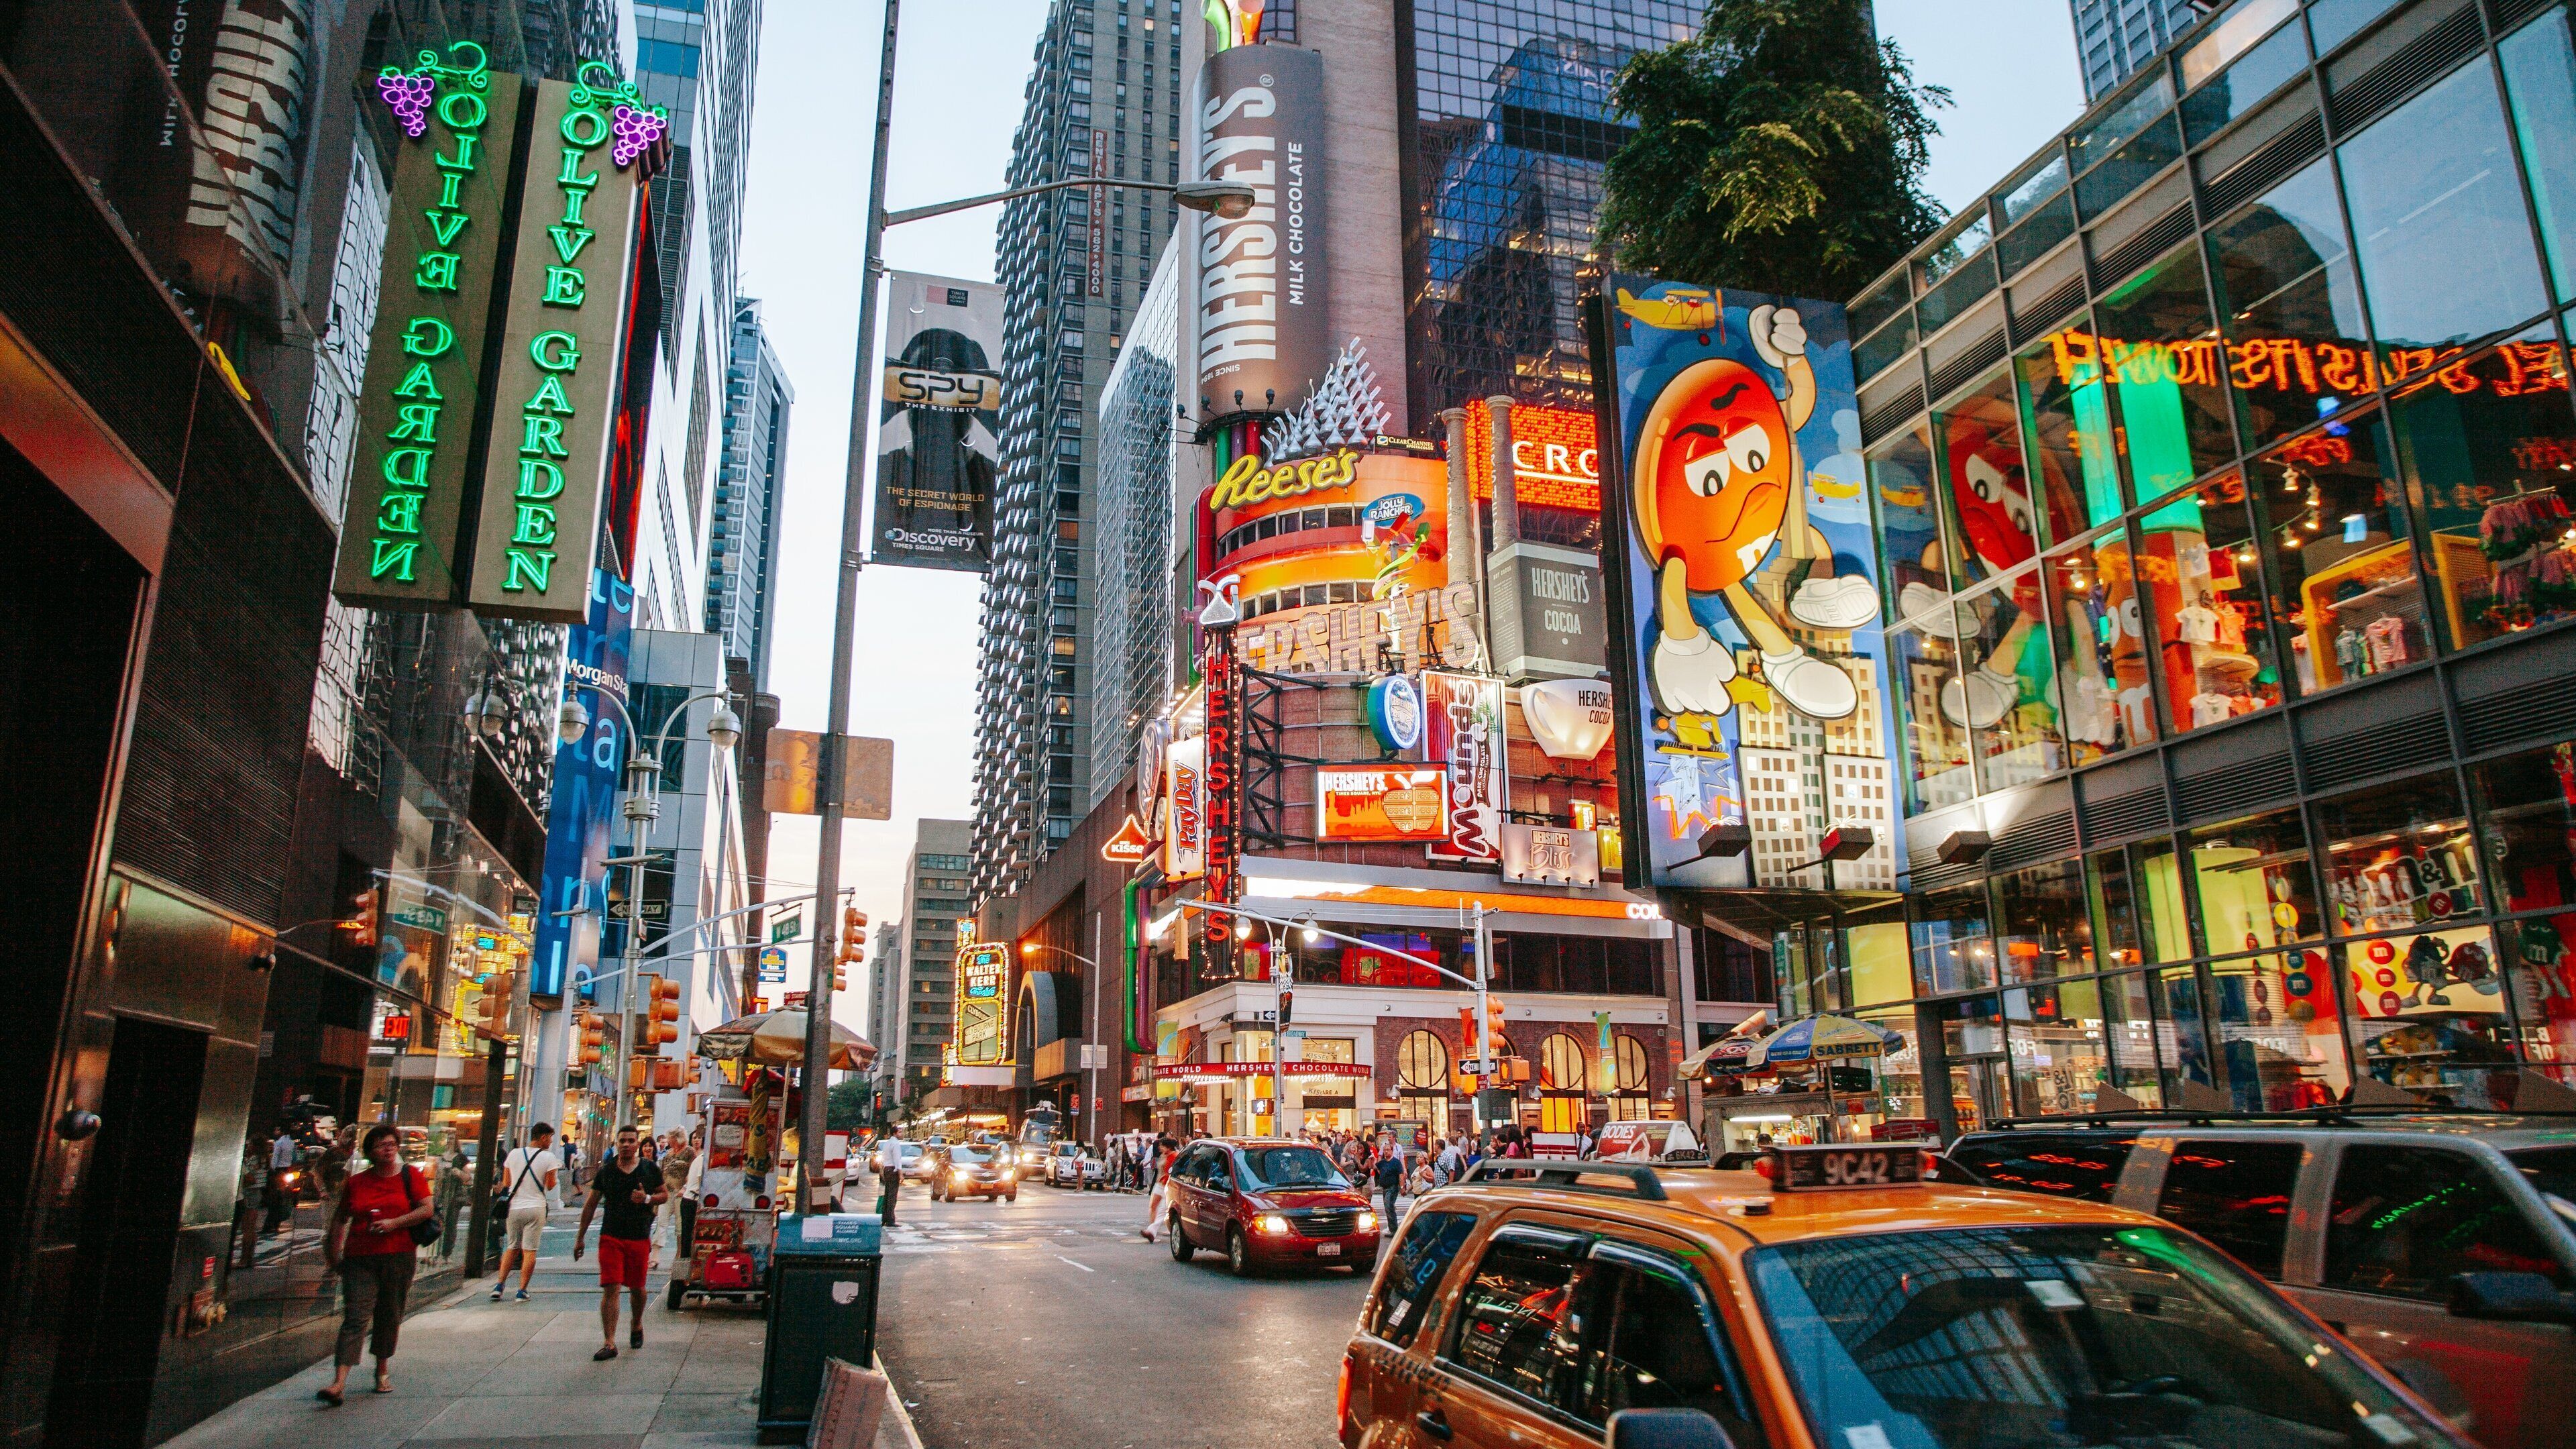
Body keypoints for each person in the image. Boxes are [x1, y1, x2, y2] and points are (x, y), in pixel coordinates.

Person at [317, 1124, 433, 1405]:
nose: (388, 1149)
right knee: (355, 1317)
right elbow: (341, 1219)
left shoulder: (411, 1176)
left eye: (392, 1144)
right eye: (381, 1145)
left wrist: (394, 1223)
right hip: (360, 1258)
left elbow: (427, 1209)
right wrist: (334, 1256)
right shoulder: (357, 1182)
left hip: (398, 1256)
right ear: (370, 1151)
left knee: (389, 1314)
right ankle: (339, 1382)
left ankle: (382, 1370)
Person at [572, 1126, 666, 1360]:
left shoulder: (649, 1169)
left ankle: (636, 1323)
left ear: (637, 1145)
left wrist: (647, 1198)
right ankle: (609, 1342)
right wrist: (580, 1237)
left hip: (638, 1236)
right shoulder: (607, 1171)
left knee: (637, 1288)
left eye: (630, 1141)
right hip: (611, 1236)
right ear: (616, 1144)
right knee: (611, 1286)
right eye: (622, 1141)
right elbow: (591, 1204)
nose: (626, 1145)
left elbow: (664, 1195)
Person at [490, 1123, 561, 1302]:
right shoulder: (549, 1157)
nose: (551, 1142)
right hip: (536, 1207)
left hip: (515, 1207)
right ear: (543, 1137)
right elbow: (550, 1185)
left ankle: (499, 1286)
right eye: (550, 1138)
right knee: (530, 1251)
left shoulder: (514, 1154)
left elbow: (507, 1182)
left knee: (512, 1247)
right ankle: (522, 1290)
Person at [661, 1132, 697, 1260]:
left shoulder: (689, 1152)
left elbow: (693, 1171)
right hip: (667, 1190)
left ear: (677, 1138)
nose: (668, 1140)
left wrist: (685, 1187)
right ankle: (655, 1252)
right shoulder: (669, 1153)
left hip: (681, 1192)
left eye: (670, 1138)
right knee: (661, 1221)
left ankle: (680, 1252)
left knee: (680, 1224)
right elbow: (663, 1171)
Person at [1370, 1139, 1403, 1227]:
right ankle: (1392, 1228)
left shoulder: (1396, 1162)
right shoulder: (1383, 1162)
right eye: (1384, 1150)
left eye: (1388, 1150)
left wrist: (1402, 1187)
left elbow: (1401, 1175)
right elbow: (1373, 1167)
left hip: (1393, 1187)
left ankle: (1394, 1229)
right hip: (1384, 1188)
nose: (1386, 1152)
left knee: (1389, 1206)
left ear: (1392, 1151)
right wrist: (1372, 1160)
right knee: (1388, 1208)